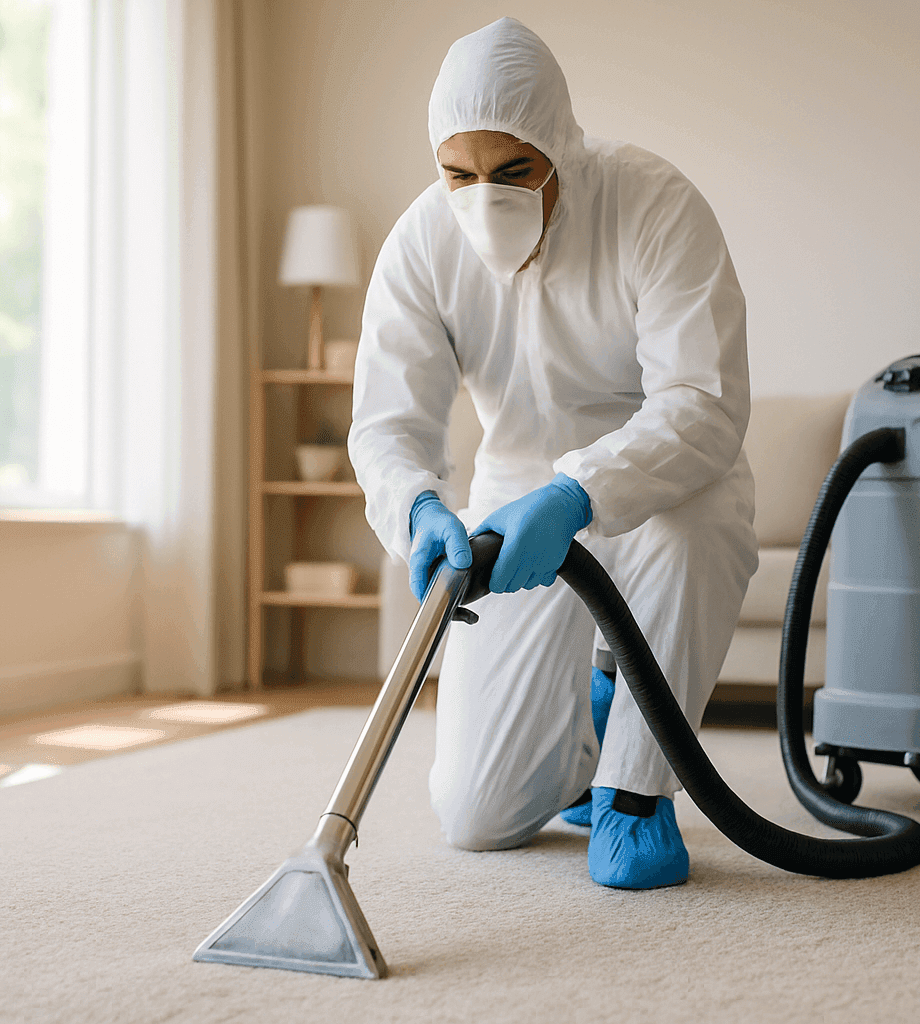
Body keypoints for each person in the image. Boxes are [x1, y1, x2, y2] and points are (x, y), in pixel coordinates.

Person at [349, 17, 757, 890]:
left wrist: (581, 492)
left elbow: (703, 402)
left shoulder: (653, 203)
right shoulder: (423, 242)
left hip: (664, 482)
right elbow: (388, 425)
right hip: (512, 494)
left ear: (559, 149)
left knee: (700, 533)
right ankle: (593, 724)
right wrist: (419, 508)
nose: (483, 199)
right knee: (477, 817)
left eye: (512, 172)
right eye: (459, 174)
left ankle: (637, 793)